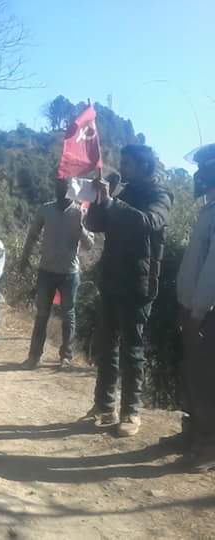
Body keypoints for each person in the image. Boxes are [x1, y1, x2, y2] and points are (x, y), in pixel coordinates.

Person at [85, 145, 173, 436]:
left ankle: (131, 412)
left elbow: (147, 222)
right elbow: (93, 224)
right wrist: (100, 199)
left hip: (138, 283)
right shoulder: (123, 193)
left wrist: (113, 203)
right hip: (112, 279)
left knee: (132, 350)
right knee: (106, 346)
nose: (123, 167)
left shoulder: (160, 195)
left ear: (145, 166)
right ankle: (104, 405)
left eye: (128, 163)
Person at [19, 179, 94, 369]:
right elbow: (33, 235)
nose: (60, 190)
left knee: (68, 314)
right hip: (46, 270)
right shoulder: (46, 209)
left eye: (64, 187)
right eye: (57, 186)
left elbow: (89, 245)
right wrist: (24, 258)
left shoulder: (80, 212)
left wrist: (81, 229)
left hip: (69, 273)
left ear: (71, 190)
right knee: (42, 314)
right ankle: (34, 357)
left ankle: (65, 357)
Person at [176, 143, 215, 470]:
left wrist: (198, 312)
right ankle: (195, 434)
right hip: (197, 310)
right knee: (196, 375)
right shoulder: (209, 209)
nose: (198, 175)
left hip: (207, 314)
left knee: (206, 379)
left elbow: (212, 270)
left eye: (204, 169)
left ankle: (209, 445)